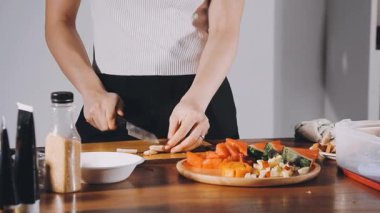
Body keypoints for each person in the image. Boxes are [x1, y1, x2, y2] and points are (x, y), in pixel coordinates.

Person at [45, 0, 244, 153]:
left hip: (198, 105)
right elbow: (59, 21)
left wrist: (196, 101)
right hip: (112, 106)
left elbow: (225, 28)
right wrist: (91, 91)